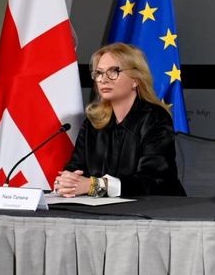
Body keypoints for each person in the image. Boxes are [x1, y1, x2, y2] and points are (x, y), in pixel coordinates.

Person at [55, 42, 185, 198]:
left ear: (136, 79)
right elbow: (75, 169)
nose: (103, 79)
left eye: (113, 71)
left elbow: (151, 182)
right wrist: (66, 183)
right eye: (99, 73)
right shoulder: (93, 121)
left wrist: (94, 186)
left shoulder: (155, 118)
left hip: (156, 211)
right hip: (102, 211)